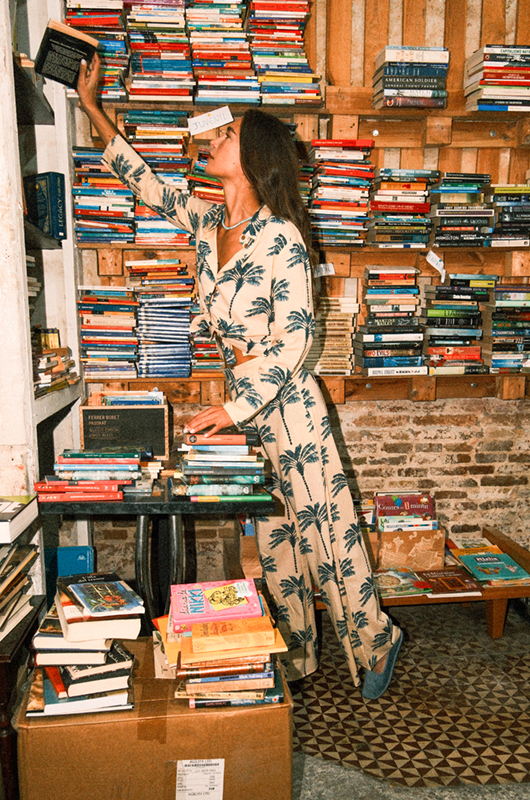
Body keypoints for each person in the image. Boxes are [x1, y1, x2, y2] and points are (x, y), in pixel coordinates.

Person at [77, 53, 403, 698]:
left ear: (254, 155)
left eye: (226, 135)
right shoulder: (207, 224)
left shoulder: (280, 236)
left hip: (290, 406)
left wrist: (233, 408)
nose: (213, 140)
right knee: (275, 535)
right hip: (244, 408)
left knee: (328, 533)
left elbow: (297, 341)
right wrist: (93, 107)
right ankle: (297, 653)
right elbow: (146, 183)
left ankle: (376, 641)